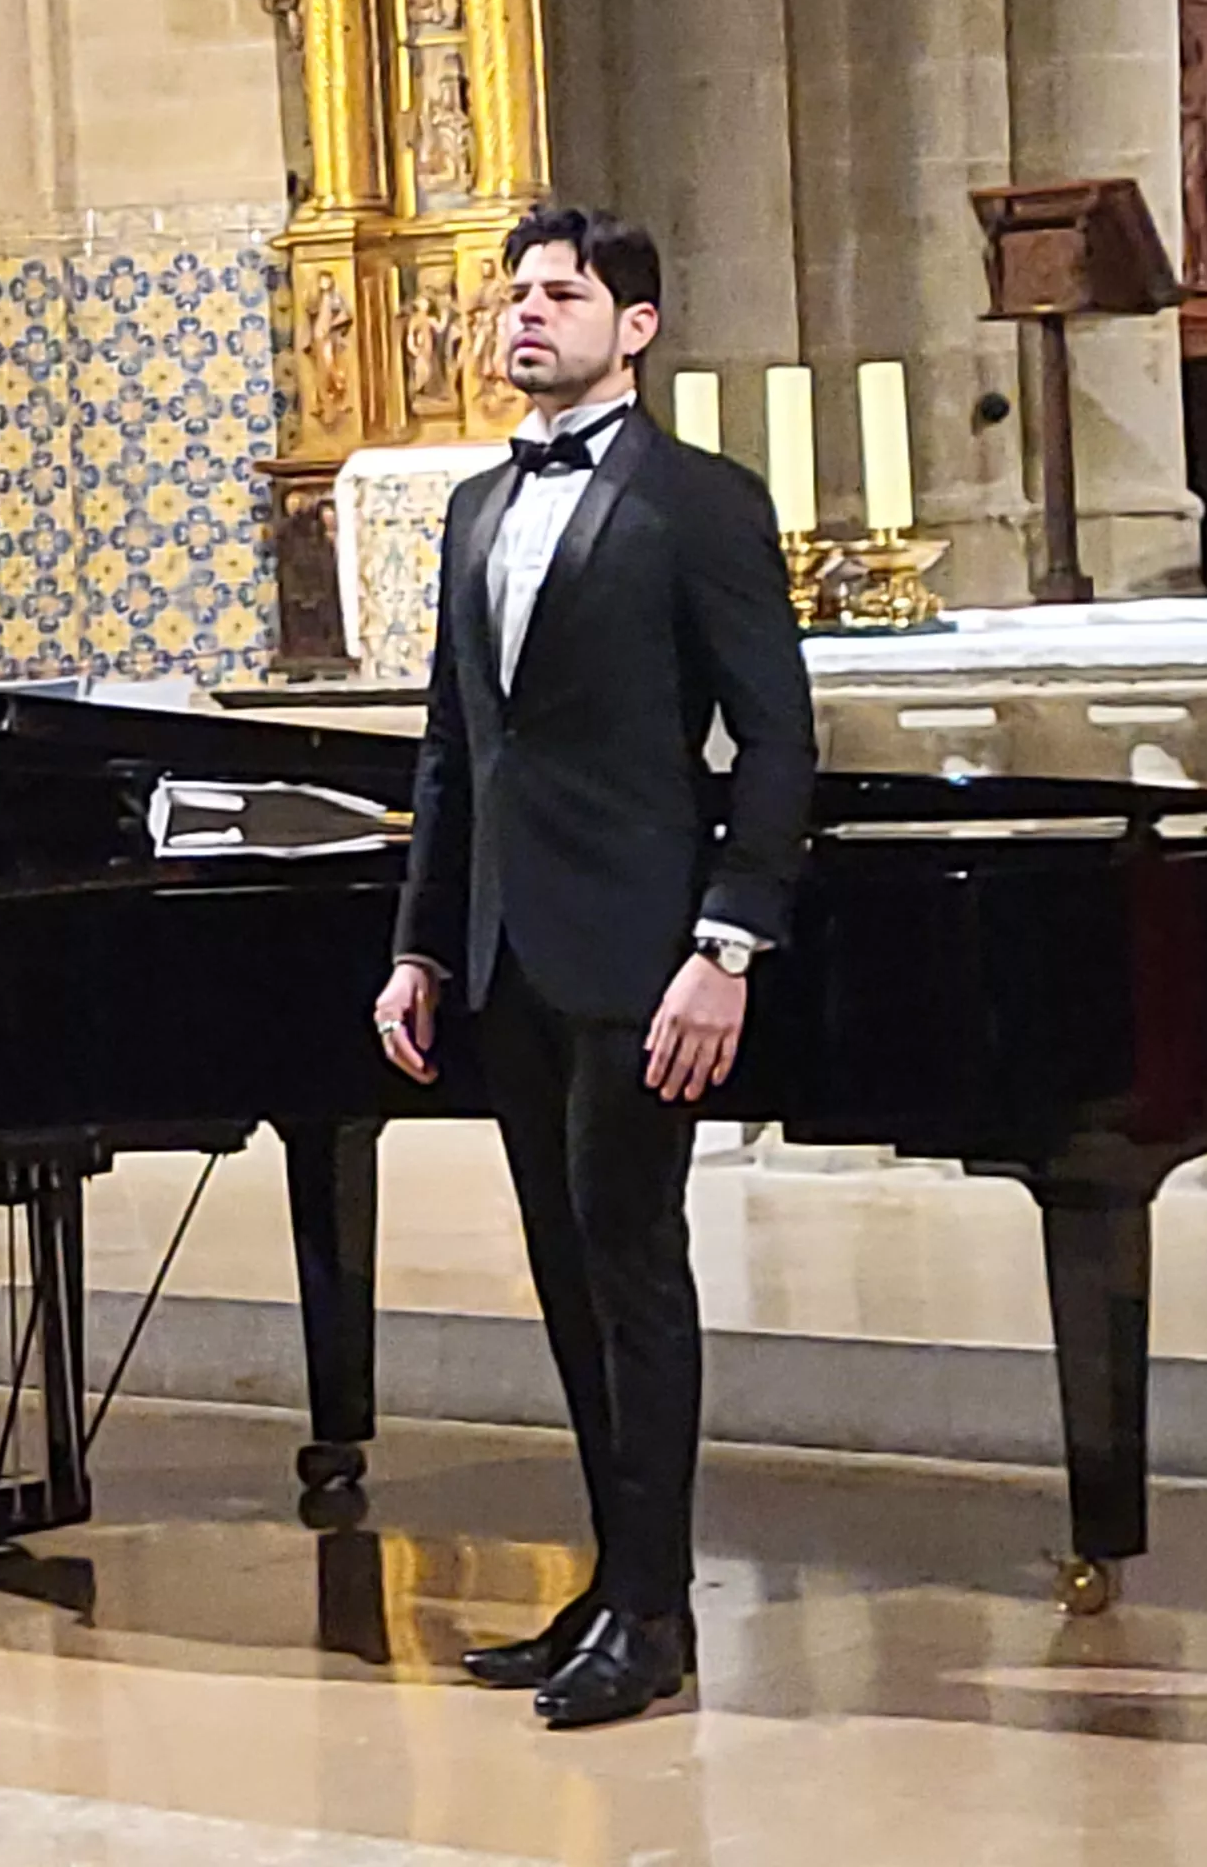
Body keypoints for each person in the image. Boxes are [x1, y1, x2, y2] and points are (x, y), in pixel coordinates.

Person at [371, 206, 815, 1732]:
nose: (526, 315)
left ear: (635, 327)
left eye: (561, 295)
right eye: (516, 294)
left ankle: (657, 1611)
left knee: (632, 1270)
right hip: (507, 955)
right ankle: (616, 1580)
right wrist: (421, 942)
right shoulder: (474, 510)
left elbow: (776, 739)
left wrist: (727, 943)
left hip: (644, 954)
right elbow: (453, 749)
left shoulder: (698, 502)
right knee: (564, 1276)